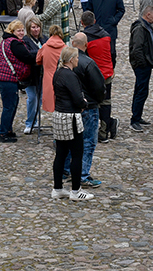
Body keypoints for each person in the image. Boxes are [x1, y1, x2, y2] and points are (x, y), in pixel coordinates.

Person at [50, 46, 92, 202]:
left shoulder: (58, 73)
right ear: (71, 59)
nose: (78, 60)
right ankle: (75, 190)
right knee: (77, 154)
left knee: (60, 153)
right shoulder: (70, 76)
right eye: (76, 57)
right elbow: (77, 98)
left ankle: (58, 188)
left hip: (59, 115)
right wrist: (84, 103)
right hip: (71, 118)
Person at [70, 33, 106, 187]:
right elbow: (99, 87)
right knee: (88, 141)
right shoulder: (88, 63)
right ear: (86, 44)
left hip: (69, 107)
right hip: (88, 106)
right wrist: (98, 100)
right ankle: (83, 174)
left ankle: (67, 170)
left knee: (69, 139)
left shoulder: (66, 62)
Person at [0, 20, 35, 143]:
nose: (21, 33)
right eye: (18, 30)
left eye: (22, 30)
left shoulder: (7, 41)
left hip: (1, 76)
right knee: (9, 106)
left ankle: (8, 130)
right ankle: (3, 133)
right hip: (6, 78)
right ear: (12, 31)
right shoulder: (15, 44)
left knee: (12, 104)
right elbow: (27, 57)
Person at [81, 11, 116, 144]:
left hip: (92, 75)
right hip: (106, 73)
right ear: (94, 21)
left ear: (82, 23)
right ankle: (104, 131)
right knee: (106, 102)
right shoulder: (106, 35)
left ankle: (89, 129)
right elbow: (112, 54)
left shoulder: (85, 38)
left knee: (91, 101)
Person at [128, 6, 153, 132]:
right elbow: (137, 48)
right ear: (148, 14)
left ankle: (137, 116)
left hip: (146, 64)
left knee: (142, 91)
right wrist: (143, 63)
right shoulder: (140, 28)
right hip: (142, 66)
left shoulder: (146, 26)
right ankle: (135, 119)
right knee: (141, 91)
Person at [86, 0, 125, 66]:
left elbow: (121, 10)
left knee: (111, 52)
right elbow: (88, 9)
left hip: (109, 28)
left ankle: (111, 71)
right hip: (95, 28)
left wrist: (114, 20)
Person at [22, 17, 47, 134]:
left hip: (43, 74)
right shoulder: (26, 40)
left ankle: (35, 121)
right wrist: (41, 53)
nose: (36, 29)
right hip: (31, 74)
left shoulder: (44, 39)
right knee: (32, 98)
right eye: (33, 27)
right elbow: (27, 54)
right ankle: (30, 122)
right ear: (29, 28)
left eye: (37, 27)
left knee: (40, 98)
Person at [35, 25, 66, 114]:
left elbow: (38, 60)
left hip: (48, 78)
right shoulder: (65, 48)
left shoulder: (45, 46)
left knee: (50, 100)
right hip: (62, 78)